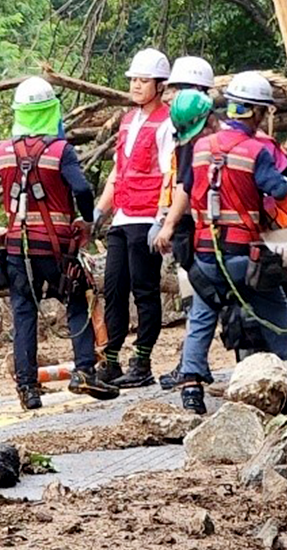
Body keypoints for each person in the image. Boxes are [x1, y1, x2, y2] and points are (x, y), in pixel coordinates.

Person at [0, 77, 119, 409]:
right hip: (56, 249)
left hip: (16, 250)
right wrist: (86, 221)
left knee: (23, 314)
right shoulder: (61, 151)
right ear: (52, 111)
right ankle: (84, 371)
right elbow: (81, 189)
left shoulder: (4, 152)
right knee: (78, 300)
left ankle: (28, 389)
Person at [176, 72, 287, 415]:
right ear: (256, 113)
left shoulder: (201, 147)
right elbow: (278, 191)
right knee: (279, 315)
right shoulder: (255, 151)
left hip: (204, 254)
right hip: (243, 256)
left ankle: (190, 386)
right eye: (263, 112)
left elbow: (188, 190)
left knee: (202, 318)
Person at [93, 48, 173, 388]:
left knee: (144, 290)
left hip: (147, 216)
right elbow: (118, 170)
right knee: (113, 288)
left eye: (144, 80)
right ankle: (110, 360)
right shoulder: (128, 120)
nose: (137, 86)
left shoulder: (166, 122)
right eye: (134, 80)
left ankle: (141, 361)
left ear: (159, 84)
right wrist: (100, 209)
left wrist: (163, 217)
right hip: (122, 215)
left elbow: (171, 172)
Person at [149, 56, 215, 390]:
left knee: (202, 300)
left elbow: (186, 186)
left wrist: (168, 224)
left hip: (198, 230)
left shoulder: (194, 140)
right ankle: (193, 365)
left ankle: (191, 369)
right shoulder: (188, 135)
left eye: (176, 88)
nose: (168, 95)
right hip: (202, 228)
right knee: (201, 300)